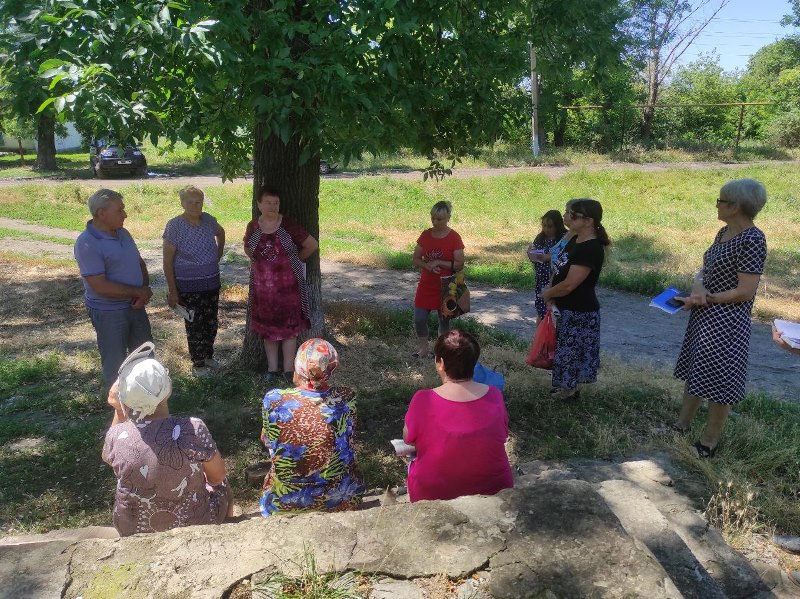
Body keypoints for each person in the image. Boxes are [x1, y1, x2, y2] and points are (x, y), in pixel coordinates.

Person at [673, 179, 768, 458]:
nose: (717, 205)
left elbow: (745, 291)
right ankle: (681, 426)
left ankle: (709, 442)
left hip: (727, 323)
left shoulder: (752, 239)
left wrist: (707, 299)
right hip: (705, 315)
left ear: (735, 206)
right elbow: (706, 268)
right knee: (696, 371)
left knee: (720, 381)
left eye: (721, 200)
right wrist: (698, 287)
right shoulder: (724, 232)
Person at [102, 342, 233, 536]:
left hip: (132, 530)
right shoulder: (193, 428)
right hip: (195, 525)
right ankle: (224, 537)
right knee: (223, 486)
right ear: (168, 389)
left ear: (123, 396)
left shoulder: (115, 435)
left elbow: (108, 456)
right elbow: (218, 476)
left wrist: (118, 409)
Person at [403, 330, 513, 502]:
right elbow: (502, 433)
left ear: (440, 363)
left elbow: (408, 439)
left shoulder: (423, 399)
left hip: (435, 492)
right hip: (494, 487)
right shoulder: (494, 395)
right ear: (474, 362)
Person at [260, 338, 364, 516]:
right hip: (339, 498)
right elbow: (349, 438)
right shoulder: (346, 397)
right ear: (331, 368)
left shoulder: (274, 399)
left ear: (299, 365)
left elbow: (267, 440)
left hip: (284, 501)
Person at [74, 188, 153, 390]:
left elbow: (139, 263)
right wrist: (139, 292)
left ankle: (149, 403)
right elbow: (100, 285)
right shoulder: (87, 243)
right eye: (120, 210)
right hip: (109, 313)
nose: (125, 214)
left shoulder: (123, 233)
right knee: (116, 363)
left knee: (144, 358)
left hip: (136, 307)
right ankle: (120, 410)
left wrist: (144, 289)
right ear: (101, 213)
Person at [244, 187, 319, 384]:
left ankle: (287, 371)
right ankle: (272, 369)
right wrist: (258, 262)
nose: (272, 206)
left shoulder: (287, 225)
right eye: (268, 202)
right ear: (259, 204)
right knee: (268, 332)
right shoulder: (253, 226)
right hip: (262, 291)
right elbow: (246, 246)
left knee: (289, 331)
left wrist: (294, 261)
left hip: (289, 289)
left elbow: (312, 244)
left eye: (276, 203)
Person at [542, 199, 609, 400]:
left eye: (572, 214)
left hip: (580, 310)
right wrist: (552, 292)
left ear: (588, 221)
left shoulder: (591, 247)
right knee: (564, 350)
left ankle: (569, 392)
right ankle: (564, 388)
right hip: (565, 307)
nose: (567, 217)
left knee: (572, 353)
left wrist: (549, 294)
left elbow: (570, 284)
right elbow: (558, 265)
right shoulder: (575, 238)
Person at [163, 186, 226, 377]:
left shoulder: (208, 220)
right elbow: (167, 261)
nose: (194, 206)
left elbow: (221, 233)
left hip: (212, 282)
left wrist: (218, 252)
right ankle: (198, 365)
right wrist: (173, 291)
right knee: (195, 325)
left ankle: (208, 356)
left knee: (211, 322)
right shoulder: (174, 226)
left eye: (198, 202)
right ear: (182, 203)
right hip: (188, 286)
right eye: (190, 202)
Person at [411, 200, 465, 358]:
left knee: (444, 321)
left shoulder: (454, 237)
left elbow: (460, 264)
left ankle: (441, 352)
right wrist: (427, 266)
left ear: (448, 217)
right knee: (419, 318)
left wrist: (439, 262)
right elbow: (415, 259)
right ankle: (423, 349)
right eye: (433, 218)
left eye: (439, 219)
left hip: (447, 285)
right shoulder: (425, 235)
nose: (435, 222)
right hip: (426, 285)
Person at [528, 209, 567, 320]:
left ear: (558, 226)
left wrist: (549, 257)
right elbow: (535, 257)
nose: (546, 229)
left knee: (555, 311)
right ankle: (539, 336)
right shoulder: (540, 238)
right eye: (544, 225)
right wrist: (532, 255)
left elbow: (566, 255)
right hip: (541, 279)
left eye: (550, 226)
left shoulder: (564, 238)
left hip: (555, 280)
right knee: (541, 311)